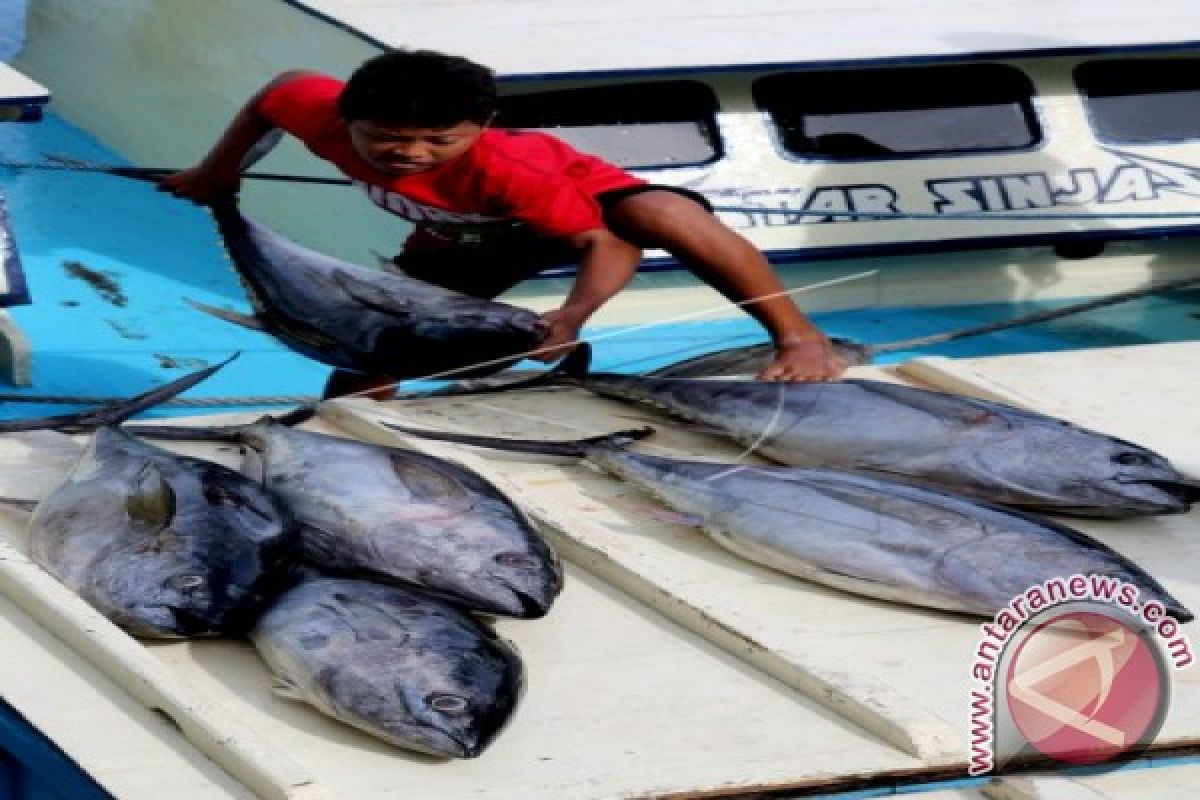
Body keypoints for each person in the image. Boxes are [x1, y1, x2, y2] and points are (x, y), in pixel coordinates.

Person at [160, 49, 846, 397]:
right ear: (346, 120)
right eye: (389, 139)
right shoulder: (312, 106)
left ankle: (798, 336)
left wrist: (573, 316)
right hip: (462, 232)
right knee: (374, 342)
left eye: (438, 140)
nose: (411, 155)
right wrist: (219, 172)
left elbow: (602, 243)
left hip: (577, 212)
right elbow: (274, 93)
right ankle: (353, 420)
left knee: (659, 213)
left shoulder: (508, 166)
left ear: (481, 126)